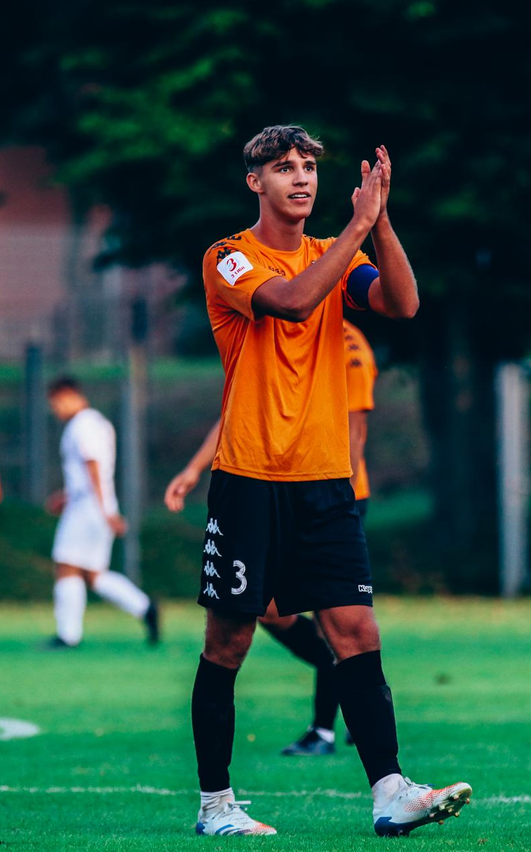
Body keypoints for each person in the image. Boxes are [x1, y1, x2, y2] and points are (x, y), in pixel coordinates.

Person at [188, 125, 470, 837]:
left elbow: (403, 304)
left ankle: (391, 790)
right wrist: (356, 228)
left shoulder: (337, 255)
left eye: (309, 166)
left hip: (325, 483)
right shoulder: (228, 257)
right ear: (254, 182)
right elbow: (288, 301)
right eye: (284, 167)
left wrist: (382, 221)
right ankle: (216, 806)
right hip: (249, 479)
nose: (301, 177)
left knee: (357, 631)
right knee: (228, 643)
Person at [165, 319, 378, 757]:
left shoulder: (347, 342)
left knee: (334, 616)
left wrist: (340, 504)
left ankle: (324, 729)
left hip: (329, 497)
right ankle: (346, 685)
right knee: (267, 612)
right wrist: (195, 467)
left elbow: (355, 430)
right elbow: (238, 411)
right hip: (271, 492)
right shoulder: (268, 330)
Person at [45, 376, 159, 647]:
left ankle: (68, 635)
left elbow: (93, 466)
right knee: (94, 575)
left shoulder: (81, 425)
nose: (56, 410)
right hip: (92, 504)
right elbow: (93, 472)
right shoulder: (97, 423)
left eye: (56, 403)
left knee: (66, 566)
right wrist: (69, 495)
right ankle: (145, 607)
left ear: (69, 395)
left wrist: (105, 510)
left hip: (88, 508)